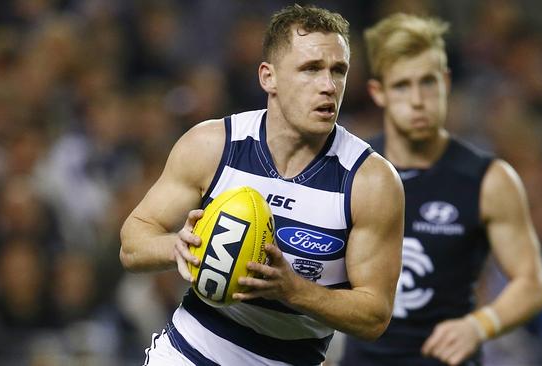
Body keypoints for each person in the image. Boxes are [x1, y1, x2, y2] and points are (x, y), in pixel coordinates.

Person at [119, 5, 405, 366]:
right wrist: (179, 247)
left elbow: (375, 315)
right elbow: (132, 243)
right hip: (190, 351)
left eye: (339, 71)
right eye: (311, 69)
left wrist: (293, 290)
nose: (329, 86)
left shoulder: (371, 181)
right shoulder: (212, 145)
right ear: (268, 77)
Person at [340, 13, 542, 366]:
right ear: (378, 93)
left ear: (447, 82)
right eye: (402, 86)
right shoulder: (352, 170)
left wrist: (479, 325)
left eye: (428, 82)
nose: (419, 100)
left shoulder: (488, 179)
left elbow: (532, 283)